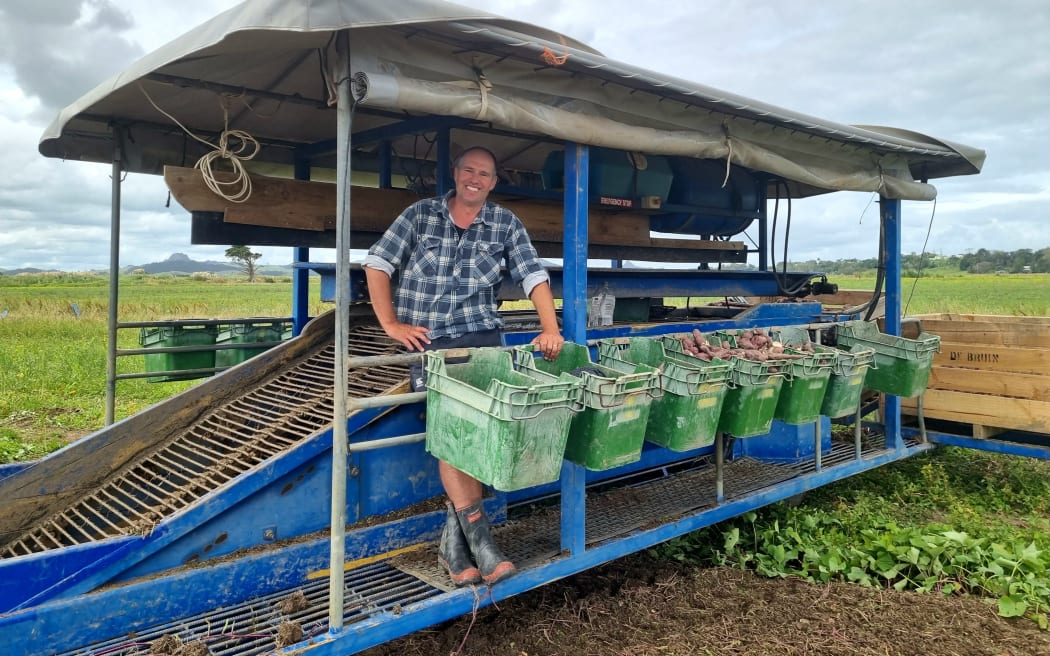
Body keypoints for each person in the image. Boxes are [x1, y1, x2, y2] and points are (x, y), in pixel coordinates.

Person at [362, 146, 564, 586]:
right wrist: (391, 324)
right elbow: (377, 263)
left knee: (483, 432)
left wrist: (551, 329)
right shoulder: (420, 216)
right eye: (468, 170)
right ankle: (483, 543)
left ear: (493, 183)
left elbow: (533, 274)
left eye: (484, 174)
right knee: (454, 435)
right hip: (433, 343)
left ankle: (456, 546)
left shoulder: (505, 223)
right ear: (456, 174)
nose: (475, 178)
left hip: (482, 338)